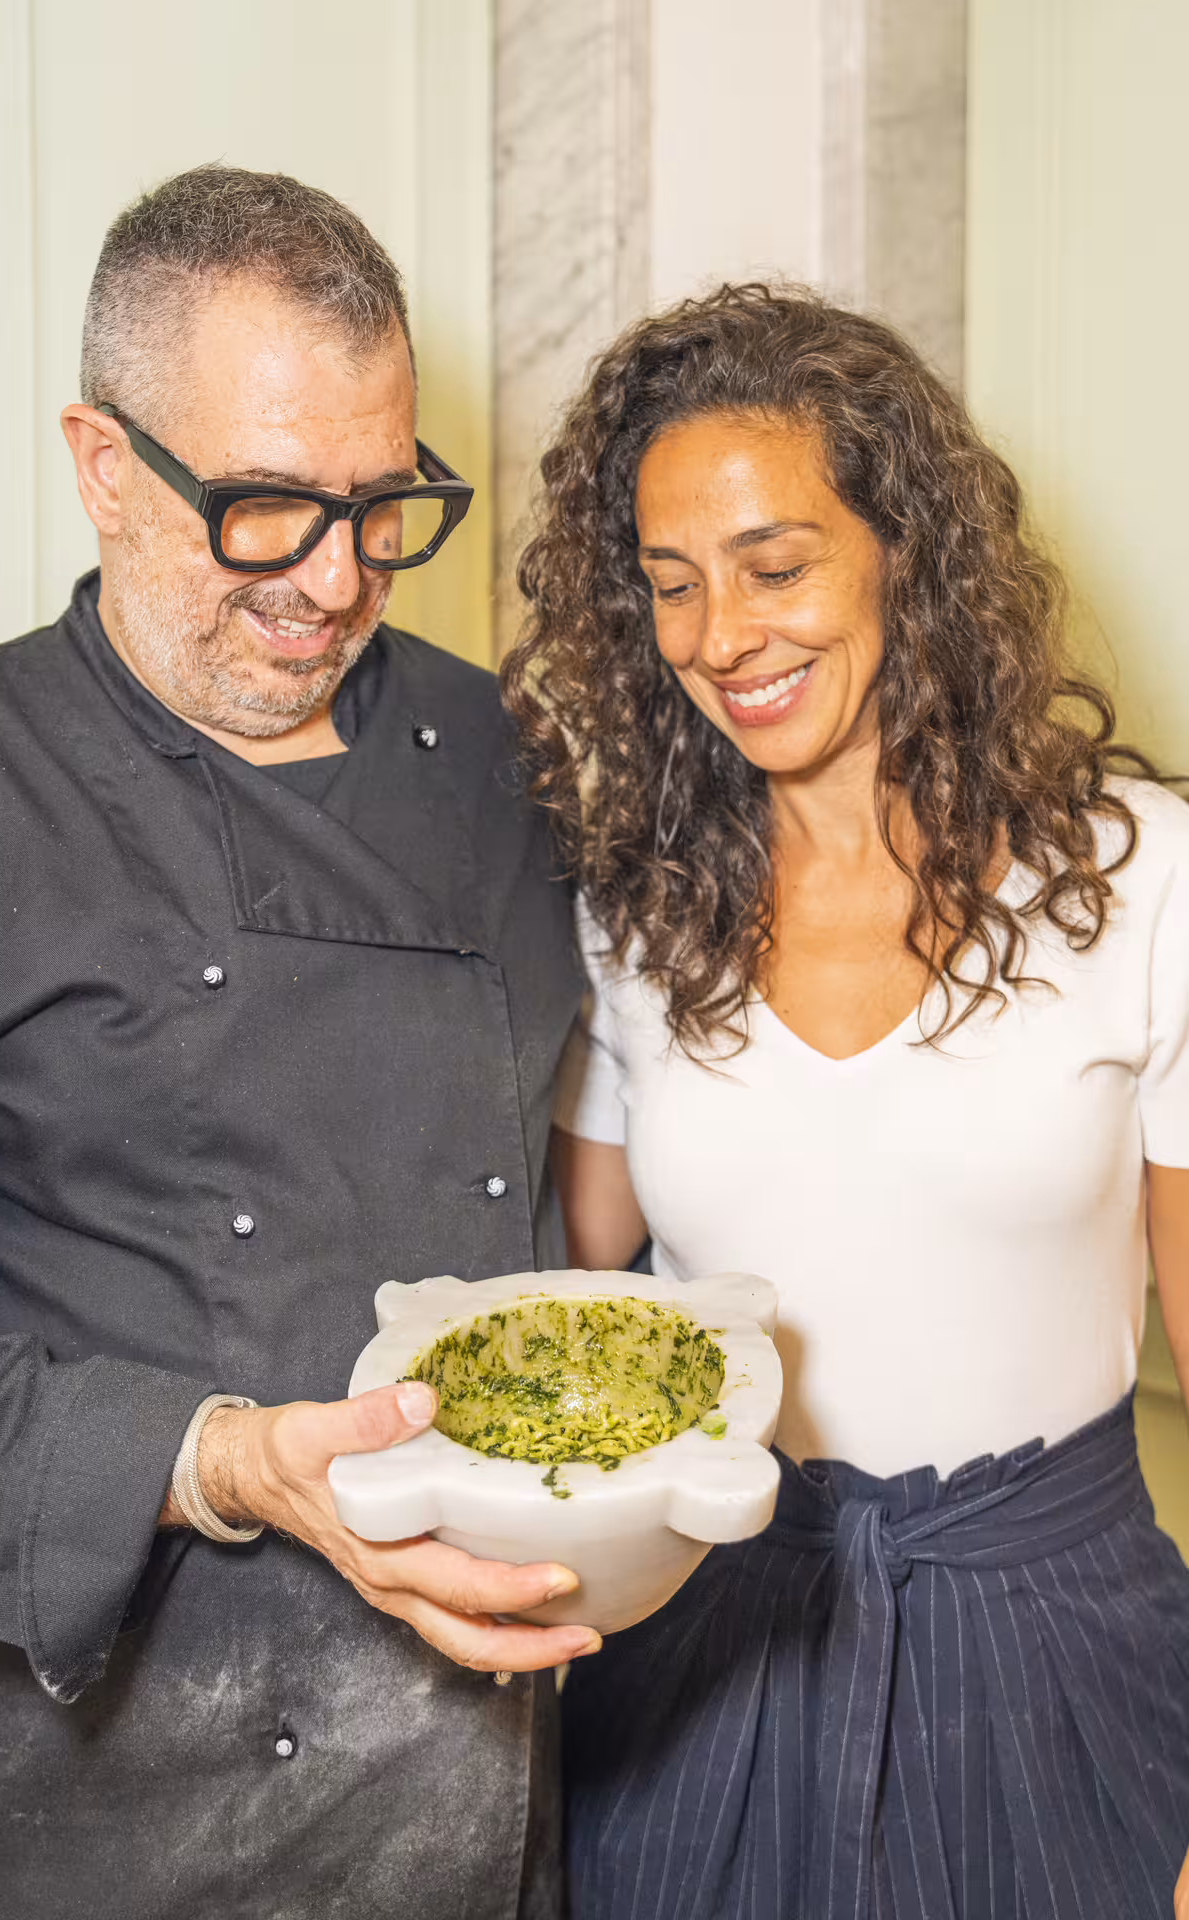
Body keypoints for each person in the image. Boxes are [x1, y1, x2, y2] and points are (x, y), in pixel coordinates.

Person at [0, 165, 596, 1920]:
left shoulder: (501, 758)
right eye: (270, 508)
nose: (337, 582)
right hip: (89, 1805)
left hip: (473, 1771)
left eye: (384, 506)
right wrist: (219, 1460)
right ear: (103, 464)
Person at [503, 284, 1189, 1919]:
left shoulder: (1143, 880)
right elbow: (561, 1287)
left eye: (776, 565)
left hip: (1061, 1644)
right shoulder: (633, 921)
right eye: (672, 584)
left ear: (906, 553)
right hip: (702, 1658)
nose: (719, 636)